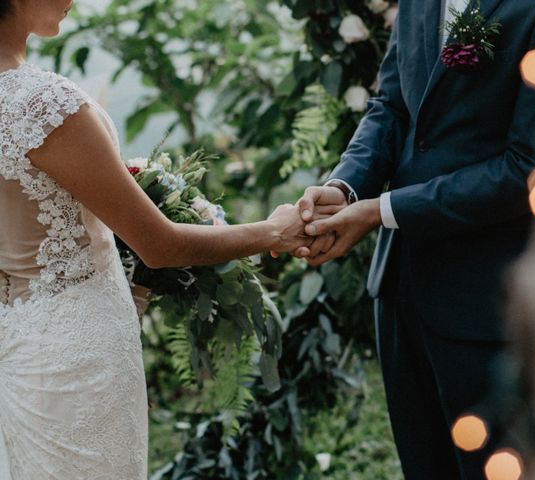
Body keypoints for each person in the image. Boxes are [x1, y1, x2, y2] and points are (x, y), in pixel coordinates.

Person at [0, 1, 312, 478]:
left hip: (19, 344)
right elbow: (160, 245)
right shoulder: (39, 105)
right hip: (76, 352)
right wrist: (274, 230)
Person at [297, 0, 535, 478]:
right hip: (400, 289)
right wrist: (344, 187)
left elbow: (527, 169)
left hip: (487, 297)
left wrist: (383, 211)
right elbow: (390, 106)